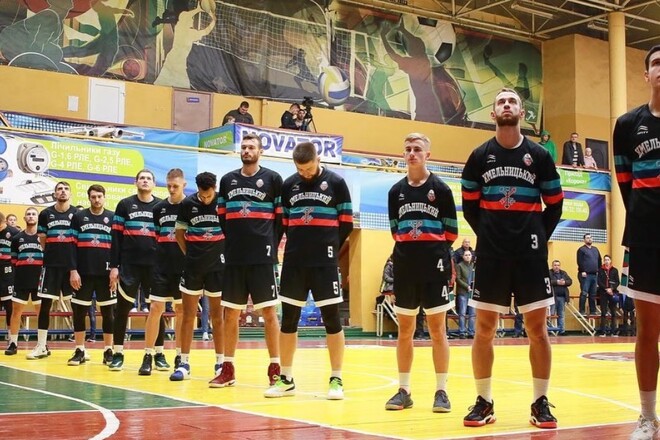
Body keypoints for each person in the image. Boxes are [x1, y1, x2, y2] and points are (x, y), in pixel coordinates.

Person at [461, 88, 563, 428]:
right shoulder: (479, 156)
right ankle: (484, 401)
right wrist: (489, 234)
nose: (507, 105)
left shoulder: (540, 156)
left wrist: (536, 235)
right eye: (501, 102)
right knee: (484, 329)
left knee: (538, 329)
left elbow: (555, 203)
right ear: (493, 114)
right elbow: (470, 206)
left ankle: (540, 402)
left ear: (522, 112)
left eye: (513, 101)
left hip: (530, 255)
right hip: (492, 254)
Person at [264, 141, 353, 400]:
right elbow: (282, 223)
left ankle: (336, 378)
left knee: (332, 319)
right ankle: (286, 378)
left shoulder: (336, 183)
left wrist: (329, 247)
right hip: (294, 262)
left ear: (318, 160)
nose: (304, 174)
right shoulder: (289, 185)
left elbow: (346, 224)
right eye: (300, 169)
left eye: (309, 168)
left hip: (325, 263)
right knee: (289, 319)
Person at [384, 132, 457, 412]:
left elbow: (451, 232)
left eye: (417, 149)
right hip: (405, 266)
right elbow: (395, 229)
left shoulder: (441, 190)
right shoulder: (395, 192)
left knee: (438, 330)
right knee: (405, 330)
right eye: (408, 149)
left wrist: (432, 251)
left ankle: (442, 391)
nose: (412, 153)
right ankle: (404, 390)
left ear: (428, 155)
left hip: (434, 267)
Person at [612, 44, 660, 440]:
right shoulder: (628, 125)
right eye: (657, 63)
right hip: (645, 239)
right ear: (646, 75)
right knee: (647, 331)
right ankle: (647, 416)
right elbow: (626, 184)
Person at [213, 133, 283, 388]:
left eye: (251, 147)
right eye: (243, 147)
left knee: (269, 312)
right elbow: (222, 217)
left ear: (260, 151)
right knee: (231, 313)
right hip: (235, 256)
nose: (246, 150)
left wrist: (269, 243)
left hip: (262, 256)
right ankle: (228, 369)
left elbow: (280, 219)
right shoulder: (227, 180)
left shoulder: (273, 179)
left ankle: (275, 368)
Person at [170, 172, 225, 383]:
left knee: (217, 317)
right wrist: (190, 255)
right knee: (187, 315)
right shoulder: (187, 204)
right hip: (193, 267)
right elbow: (179, 234)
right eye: (202, 196)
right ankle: (183, 363)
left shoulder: (223, 202)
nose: (205, 199)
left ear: (214, 189)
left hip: (217, 268)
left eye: (208, 196)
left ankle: (221, 363)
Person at [108, 170, 163, 371]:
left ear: (154, 183)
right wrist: (114, 266)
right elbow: (116, 238)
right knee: (122, 309)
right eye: (142, 178)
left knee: (156, 310)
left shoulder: (161, 206)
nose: (145, 181)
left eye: (148, 178)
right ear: (135, 182)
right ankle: (118, 353)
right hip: (129, 265)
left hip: (154, 266)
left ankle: (158, 353)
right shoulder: (124, 205)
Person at [139, 169, 187, 375]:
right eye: (169, 186)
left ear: (184, 185)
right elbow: (158, 236)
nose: (172, 189)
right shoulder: (159, 208)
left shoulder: (190, 206)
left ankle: (180, 356)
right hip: (161, 265)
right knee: (155, 308)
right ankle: (148, 355)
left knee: (181, 311)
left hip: (183, 267)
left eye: (175, 186)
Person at [28, 181, 78, 360]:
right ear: (55, 193)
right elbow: (42, 240)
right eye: (59, 189)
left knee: (78, 306)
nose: (63, 191)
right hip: (51, 265)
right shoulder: (45, 214)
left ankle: (80, 348)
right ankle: (41, 346)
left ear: (70, 193)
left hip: (72, 267)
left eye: (66, 189)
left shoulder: (77, 214)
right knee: (45, 306)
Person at [67, 184, 116, 366]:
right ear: (89, 198)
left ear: (104, 197)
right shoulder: (79, 217)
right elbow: (71, 245)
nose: (96, 200)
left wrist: (115, 268)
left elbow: (117, 246)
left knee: (108, 313)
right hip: (83, 273)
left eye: (99, 196)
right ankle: (79, 350)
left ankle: (108, 350)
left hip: (106, 274)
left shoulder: (112, 217)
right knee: (79, 312)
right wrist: (73, 270)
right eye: (93, 197)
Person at [5, 208, 41, 356]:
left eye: (34, 214)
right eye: (28, 214)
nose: (31, 216)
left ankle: (42, 343)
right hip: (21, 280)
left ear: (37, 218)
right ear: (25, 218)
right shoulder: (16, 238)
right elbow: (13, 260)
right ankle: (13, 343)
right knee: (16, 312)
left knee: (41, 312)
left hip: (39, 280)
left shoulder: (43, 237)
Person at [0, 212, 20, 330]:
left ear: (4, 222)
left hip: (8, 271)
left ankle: (10, 333)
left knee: (9, 304)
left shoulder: (14, 233)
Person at [577, 233, 601, 316]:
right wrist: (582, 271)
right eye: (587, 238)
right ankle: (582, 311)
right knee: (584, 293)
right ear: (584, 240)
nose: (589, 239)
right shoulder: (581, 250)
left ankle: (593, 311)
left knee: (593, 294)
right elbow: (579, 261)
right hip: (585, 275)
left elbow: (599, 260)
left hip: (594, 275)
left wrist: (599, 270)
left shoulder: (595, 249)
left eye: (590, 237)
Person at [597, 255, 620, 337]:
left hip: (612, 293)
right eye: (605, 260)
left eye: (608, 260)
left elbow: (617, 282)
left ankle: (613, 331)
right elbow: (599, 281)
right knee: (603, 312)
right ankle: (603, 331)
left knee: (613, 312)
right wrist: (606, 289)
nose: (606, 261)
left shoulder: (615, 270)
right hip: (603, 293)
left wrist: (612, 289)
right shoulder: (600, 270)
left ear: (610, 261)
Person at [455, 250, 475, 339]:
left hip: (472, 293)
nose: (468, 256)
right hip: (463, 292)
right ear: (463, 256)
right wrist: (467, 286)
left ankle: (471, 332)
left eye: (469, 255)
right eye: (466, 255)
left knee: (472, 314)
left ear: (471, 256)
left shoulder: (473, 266)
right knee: (462, 313)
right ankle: (462, 332)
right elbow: (458, 279)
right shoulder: (459, 265)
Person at [549, 260, 572, 335]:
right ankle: (549, 330)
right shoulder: (549, 273)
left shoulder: (563, 273)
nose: (556, 267)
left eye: (558, 265)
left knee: (561, 314)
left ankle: (561, 330)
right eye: (555, 265)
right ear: (552, 266)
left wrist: (564, 282)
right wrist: (557, 282)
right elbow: (547, 281)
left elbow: (570, 281)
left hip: (562, 297)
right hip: (552, 297)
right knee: (551, 314)